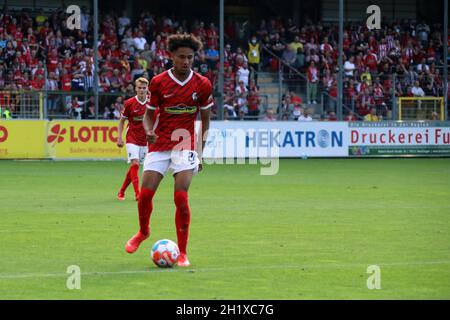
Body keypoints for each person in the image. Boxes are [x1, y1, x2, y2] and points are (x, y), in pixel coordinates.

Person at [124, 34, 213, 268]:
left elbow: (205, 122)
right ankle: (143, 232)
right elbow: (149, 115)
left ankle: (182, 252)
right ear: (171, 56)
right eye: (181, 57)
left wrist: (200, 153)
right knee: (145, 195)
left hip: (185, 145)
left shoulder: (202, 84)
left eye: (190, 57)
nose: (186, 61)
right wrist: (148, 131)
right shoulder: (158, 82)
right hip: (159, 144)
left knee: (181, 196)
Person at [116, 77, 150, 201]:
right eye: (139, 88)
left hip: (145, 141)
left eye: (144, 88)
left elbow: (156, 120)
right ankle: (138, 194)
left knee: (134, 167)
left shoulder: (151, 104)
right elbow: (122, 121)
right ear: (135, 89)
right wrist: (119, 137)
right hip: (132, 137)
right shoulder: (129, 103)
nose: (141, 90)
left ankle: (121, 191)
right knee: (135, 164)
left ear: (147, 89)